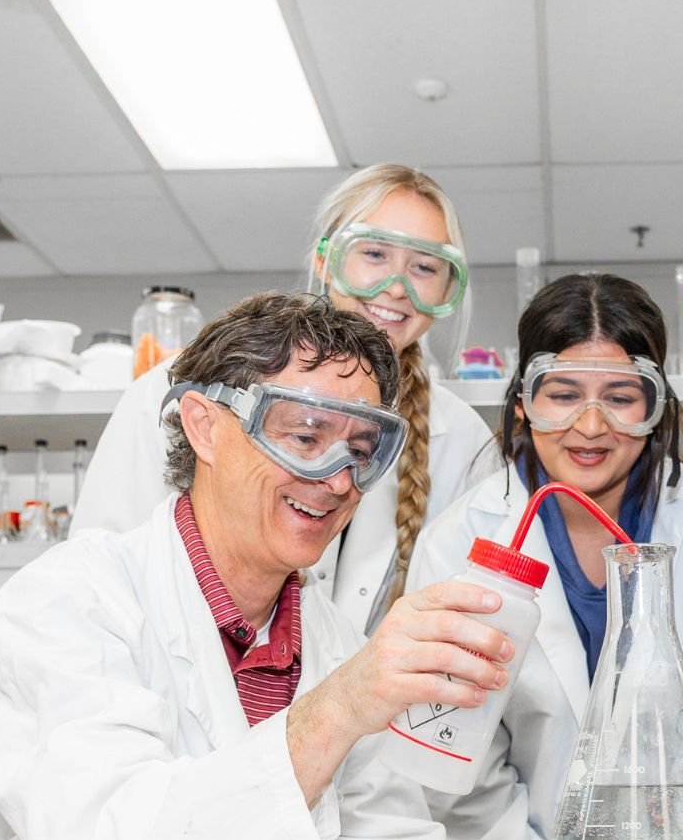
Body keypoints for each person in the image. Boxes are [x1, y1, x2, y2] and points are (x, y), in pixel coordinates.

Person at [0, 293, 516, 840]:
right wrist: (339, 707)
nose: (338, 480)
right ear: (204, 425)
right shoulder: (69, 601)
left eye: (361, 452)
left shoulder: (333, 642)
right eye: (306, 435)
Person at [407, 273, 683, 840]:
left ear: (657, 406)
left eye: (622, 397)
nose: (591, 425)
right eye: (564, 394)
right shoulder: (457, 543)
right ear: (523, 401)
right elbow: (466, 768)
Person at [72, 164, 492, 631]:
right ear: (324, 260)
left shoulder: (463, 438)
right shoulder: (181, 387)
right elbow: (98, 577)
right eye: (374, 254)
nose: (396, 287)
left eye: (424, 268)